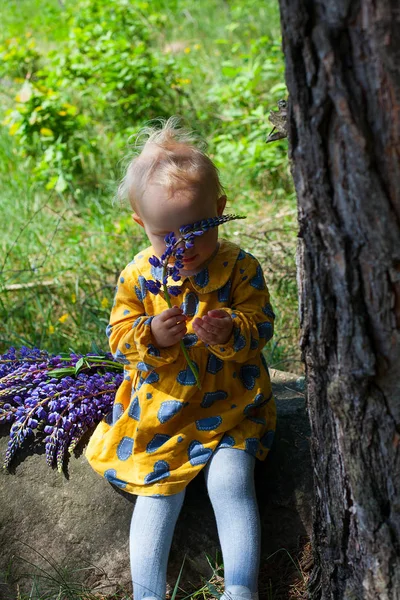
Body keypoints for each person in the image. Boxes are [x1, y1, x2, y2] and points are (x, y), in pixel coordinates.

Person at [85, 118, 276, 600]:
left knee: (231, 482)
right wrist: (149, 334)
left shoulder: (239, 266)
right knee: (156, 491)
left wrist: (233, 328)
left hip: (232, 403)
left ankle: (241, 588)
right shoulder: (137, 275)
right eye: (166, 235)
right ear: (141, 225)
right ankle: (146, 593)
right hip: (162, 411)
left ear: (220, 209)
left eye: (195, 230)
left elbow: (263, 325)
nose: (182, 247)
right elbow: (118, 338)